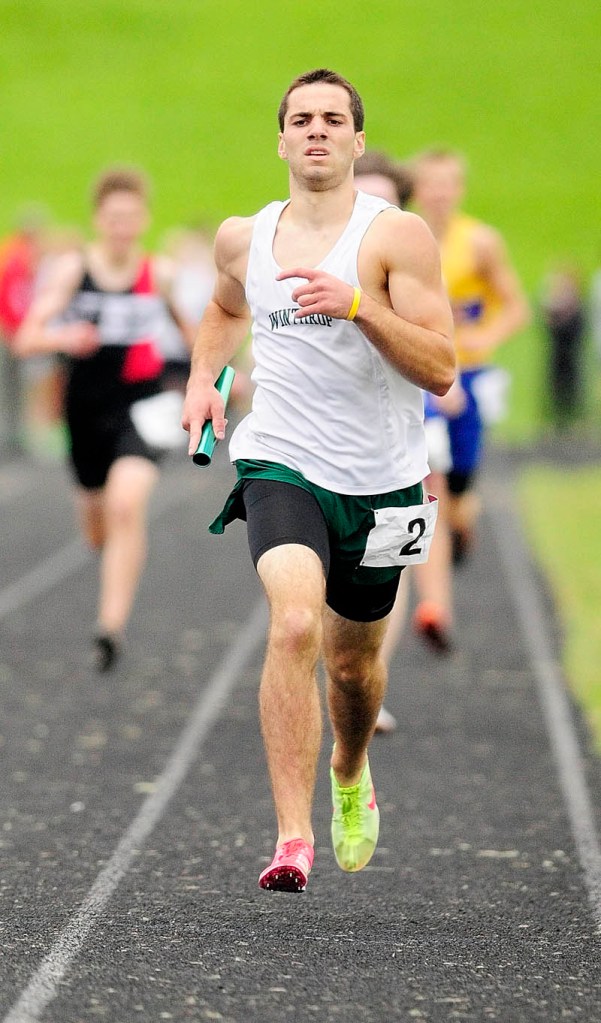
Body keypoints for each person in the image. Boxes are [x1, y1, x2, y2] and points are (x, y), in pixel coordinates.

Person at [182, 68, 455, 892]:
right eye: (301, 118)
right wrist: (205, 377)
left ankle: (349, 767)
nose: (316, 130)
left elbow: (440, 366)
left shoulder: (394, 237)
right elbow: (226, 308)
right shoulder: (245, 236)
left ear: (357, 140)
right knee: (295, 619)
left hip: (382, 481)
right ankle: (291, 836)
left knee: (351, 669)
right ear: (280, 139)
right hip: (281, 458)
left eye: (333, 119)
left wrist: (360, 309)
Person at [14, 166, 195, 670]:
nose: (122, 226)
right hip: (85, 412)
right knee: (97, 526)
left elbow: (196, 333)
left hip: (142, 406)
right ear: (98, 219)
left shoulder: (158, 274)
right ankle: (111, 566)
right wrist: (63, 339)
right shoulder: (75, 271)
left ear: (144, 220)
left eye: (131, 217)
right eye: (113, 217)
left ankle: (109, 627)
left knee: (126, 504)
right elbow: (27, 337)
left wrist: (217, 376)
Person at [352, 152, 461, 735]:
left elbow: (441, 339)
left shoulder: (413, 257)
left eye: (381, 204)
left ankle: (372, 677)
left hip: (407, 428)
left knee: (394, 553)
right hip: (330, 440)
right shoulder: (319, 252)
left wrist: (452, 381)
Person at [411, 148, 531, 563]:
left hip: (469, 370)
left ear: (458, 189)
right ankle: (427, 533)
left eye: (447, 185)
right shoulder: (402, 238)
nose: (439, 194)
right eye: (431, 185)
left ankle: (459, 517)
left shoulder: (480, 243)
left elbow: (517, 306)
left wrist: (485, 336)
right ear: (417, 189)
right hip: (420, 371)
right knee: (423, 464)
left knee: (461, 474)